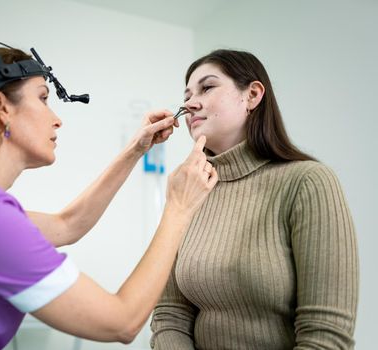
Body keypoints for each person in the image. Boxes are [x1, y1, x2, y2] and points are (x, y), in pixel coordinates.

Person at [0, 36, 219, 349]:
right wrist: (180, 207)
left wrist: (134, 150)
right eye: (44, 97)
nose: (56, 118)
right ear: (0, 105)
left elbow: (69, 224)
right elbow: (121, 322)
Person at [150, 49, 358, 349]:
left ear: (252, 95)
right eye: (187, 95)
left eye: (207, 87)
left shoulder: (309, 182)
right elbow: (170, 315)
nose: (190, 103)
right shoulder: (188, 192)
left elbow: (326, 335)